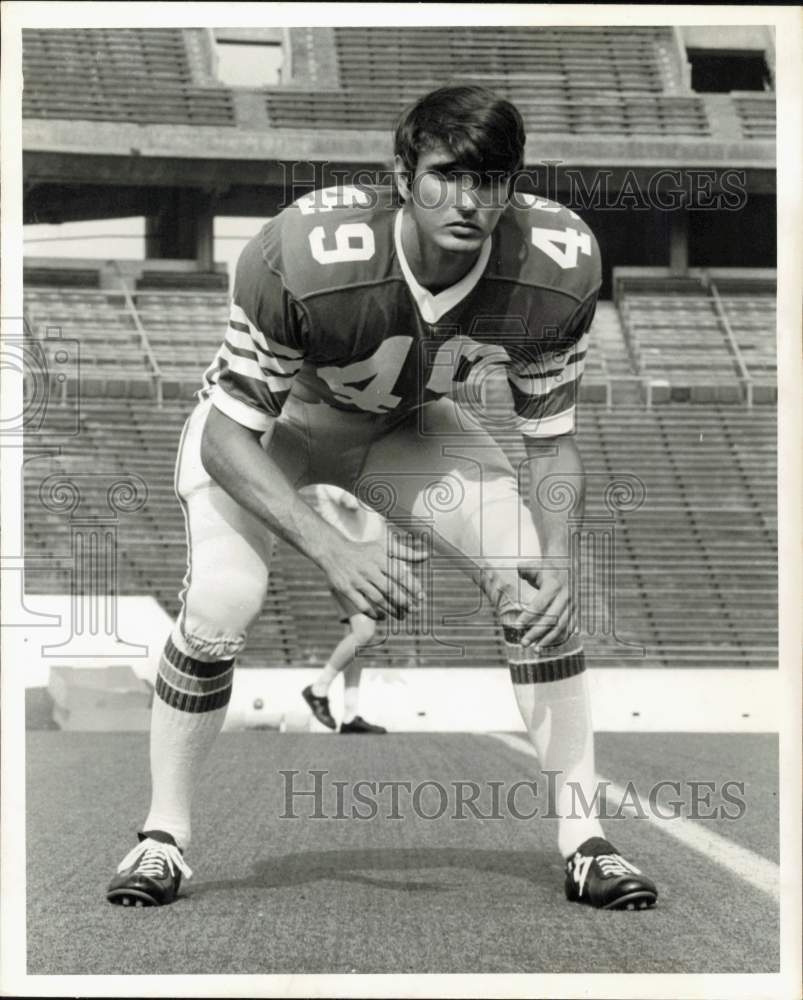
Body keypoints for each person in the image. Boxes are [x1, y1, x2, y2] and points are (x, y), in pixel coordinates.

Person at [106, 85, 658, 911]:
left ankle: (585, 840)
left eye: (492, 180)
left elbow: (552, 443)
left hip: (406, 428)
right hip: (275, 431)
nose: (469, 201)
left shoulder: (555, 262)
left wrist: (560, 558)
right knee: (225, 597)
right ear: (403, 175)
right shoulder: (306, 251)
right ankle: (162, 835)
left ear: (512, 187)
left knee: (530, 581)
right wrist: (329, 546)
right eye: (446, 175)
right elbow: (226, 437)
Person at [300, 484, 387, 734]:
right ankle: (318, 689)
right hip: (347, 567)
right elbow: (351, 501)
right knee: (364, 633)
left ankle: (350, 715)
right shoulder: (334, 477)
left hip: (362, 567)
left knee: (356, 643)